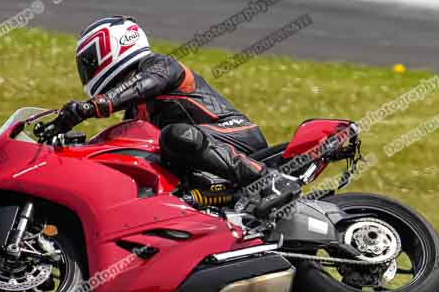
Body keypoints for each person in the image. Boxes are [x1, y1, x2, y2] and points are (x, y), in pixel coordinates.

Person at [48, 15, 300, 220]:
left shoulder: (160, 66)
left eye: (89, 62)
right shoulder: (135, 110)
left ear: (113, 46)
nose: (86, 71)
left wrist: (88, 108)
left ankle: (269, 181)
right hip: (202, 155)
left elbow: (141, 85)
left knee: (175, 136)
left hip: (235, 136)